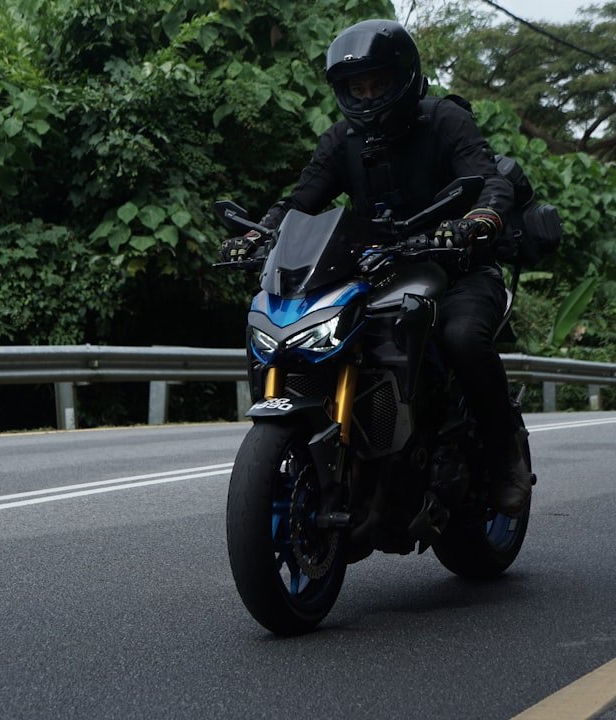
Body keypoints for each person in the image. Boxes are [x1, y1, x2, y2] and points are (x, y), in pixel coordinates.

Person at [220, 18, 532, 516]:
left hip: (458, 268)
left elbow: (487, 179)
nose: (366, 96)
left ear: (403, 78)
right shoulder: (342, 140)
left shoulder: (446, 120)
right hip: (380, 269)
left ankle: (505, 453)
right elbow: (301, 202)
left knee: (461, 338)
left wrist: (477, 220)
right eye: (356, 87)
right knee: (318, 329)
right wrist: (259, 233)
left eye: (377, 84)